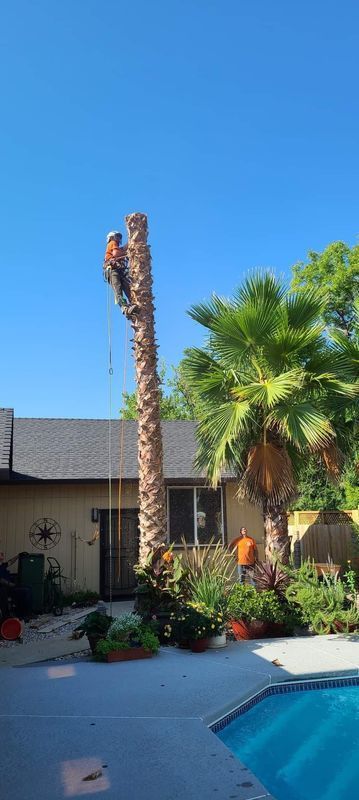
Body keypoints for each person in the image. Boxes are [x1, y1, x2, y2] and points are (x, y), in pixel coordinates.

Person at [103, 231, 137, 317]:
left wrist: (133, 239)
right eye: (117, 236)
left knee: (128, 289)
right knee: (118, 290)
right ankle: (125, 308)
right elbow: (116, 254)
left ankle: (133, 305)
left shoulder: (117, 247)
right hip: (113, 270)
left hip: (119, 270)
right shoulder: (112, 243)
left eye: (119, 237)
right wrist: (128, 254)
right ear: (111, 237)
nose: (118, 238)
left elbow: (124, 248)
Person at [0, 552, 33, 620]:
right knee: (25, 591)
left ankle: (26, 613)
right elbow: (1, 580)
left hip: (10, 586)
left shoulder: (3, 565)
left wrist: (18, 555)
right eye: (0, 554)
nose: (2, 553)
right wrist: (11, 584)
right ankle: (22, 614)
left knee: (28, 588)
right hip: (5, 588)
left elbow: (11, 561)